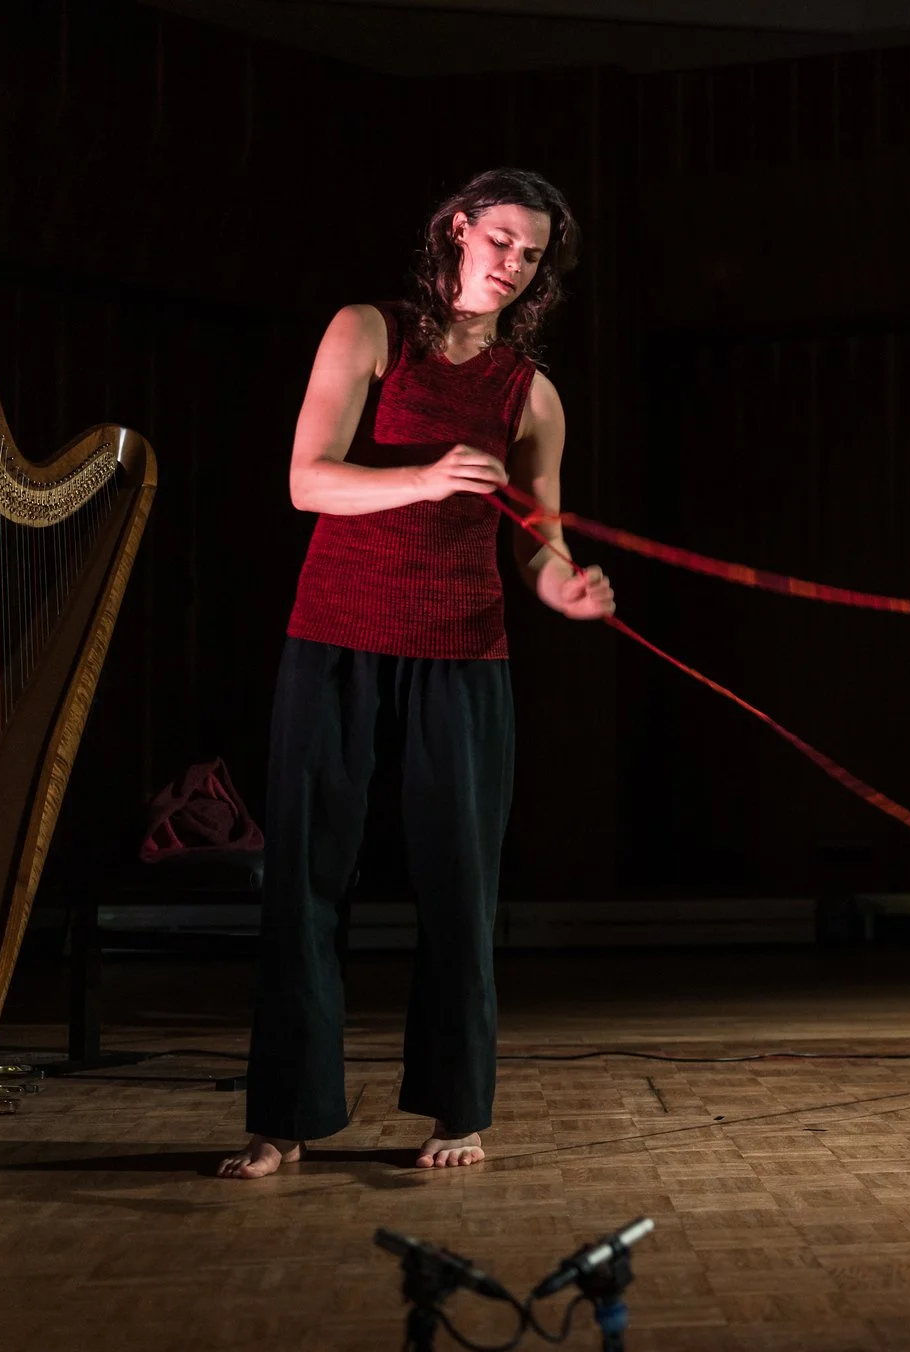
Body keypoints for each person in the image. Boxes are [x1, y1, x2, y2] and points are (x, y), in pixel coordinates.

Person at [219, 168, 614, 1178]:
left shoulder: (531, 394)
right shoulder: (368, 332)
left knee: (458, 884)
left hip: (463, 652)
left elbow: (540, 542)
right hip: (336, 635)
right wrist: (429, 475)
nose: (514, 267)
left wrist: (561, 585)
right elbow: (309, 480)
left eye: (531, 256)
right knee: (306, 878)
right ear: (455, 229)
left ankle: (455, 1110)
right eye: (501, 243)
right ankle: (285, 1118)